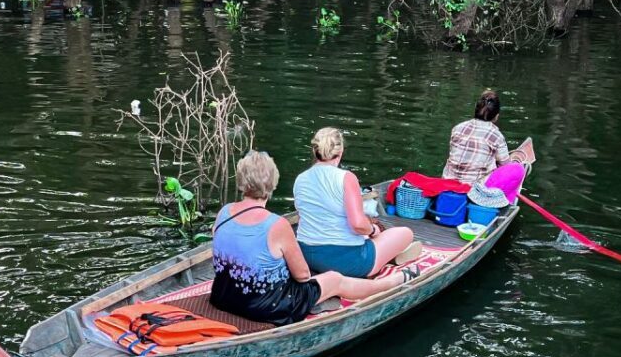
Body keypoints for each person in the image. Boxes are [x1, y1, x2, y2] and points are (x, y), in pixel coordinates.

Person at [210, 151, 418, 326]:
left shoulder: (224, 212)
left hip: (223, 296)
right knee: (334, 279)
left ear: (241, 181)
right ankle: (392, 282)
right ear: (272, 183)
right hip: (267, 307)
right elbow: (302, 275)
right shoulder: (276, 224)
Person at [293, 128, 422, 279]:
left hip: (307, 255)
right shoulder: (346, 177)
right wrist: (373, 230)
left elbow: (303, 219)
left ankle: (386, 255)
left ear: (314, 151)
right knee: (405, 233)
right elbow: (357, 225)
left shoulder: (300, 179)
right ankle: (388, 257)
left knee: (366, 236)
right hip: (344, 262)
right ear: (340, 152)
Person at [442, 89, 525, 203]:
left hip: (447, 183)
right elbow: (505, 165)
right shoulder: (496, 135)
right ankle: (505, 203)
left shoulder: (457, 128)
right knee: (517, 169)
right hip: (473, 191)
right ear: (496, 116)